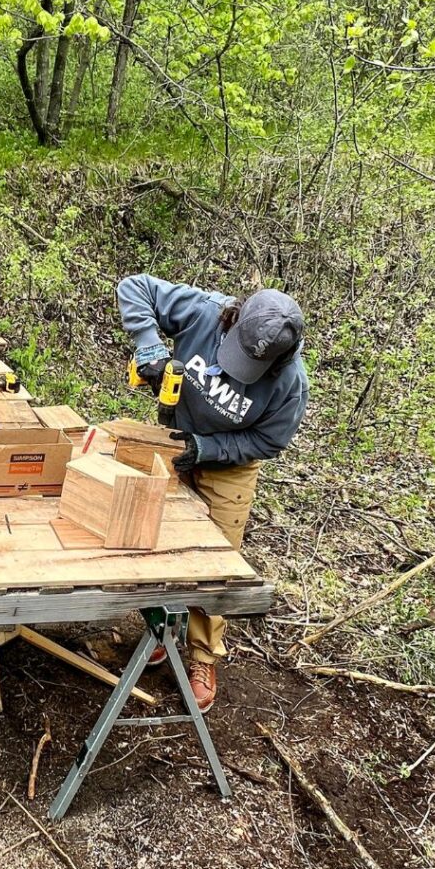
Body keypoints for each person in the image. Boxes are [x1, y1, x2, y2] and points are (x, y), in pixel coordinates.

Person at [117, 276, 308, 712]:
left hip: (231, 466)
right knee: (159, 540)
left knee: (214, 562)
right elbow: (135, 287)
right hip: (174, 437)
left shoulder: (290, 384)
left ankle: (203, 657)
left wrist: (209, 450)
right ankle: (160, 631)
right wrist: (148, 343)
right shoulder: (203, 311)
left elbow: (269, 442)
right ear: (234, 316)